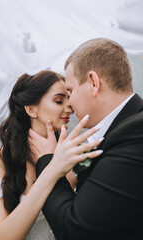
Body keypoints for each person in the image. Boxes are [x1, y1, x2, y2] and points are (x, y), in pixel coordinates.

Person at [29, 38, 143, 240]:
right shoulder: (125, 128)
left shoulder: (135, 132)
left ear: (93, 82)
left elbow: (75, 230)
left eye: (70, 91)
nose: (70, 104)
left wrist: (48, 162)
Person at [0, 70, 103, 240]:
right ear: (31, 109)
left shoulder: (71, 159)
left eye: (70, 98)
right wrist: (51, 170)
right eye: (59, 100)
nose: (70, 106)